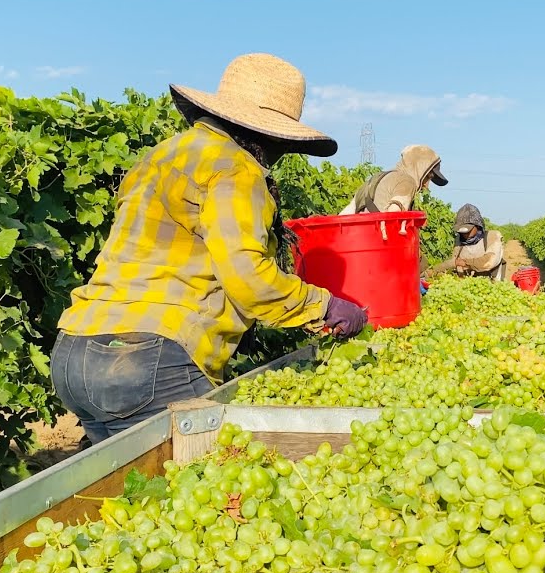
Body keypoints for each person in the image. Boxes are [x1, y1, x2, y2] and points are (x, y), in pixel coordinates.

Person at [52, 53, 368, 444]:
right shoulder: (235, 167)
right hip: (149, 358)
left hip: (75, 349)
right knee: (189, 488)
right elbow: (248, 277)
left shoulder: (161, 155)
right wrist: (324, 306)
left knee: (128, 493)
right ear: (264, 134)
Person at [339, 144, 448, 214]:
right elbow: (393, 217)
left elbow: (344, 216)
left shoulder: (374, 179)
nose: (427, 184)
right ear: (420, 169)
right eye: (429, 176)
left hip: (358, 242)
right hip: (381, 244)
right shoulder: (406, 182)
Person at [427, 203, 506, 281]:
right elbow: (455, 262)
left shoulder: (492, 236)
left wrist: (465, 263)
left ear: (477, 226)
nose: (465, 234)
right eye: (462, 232)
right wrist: (435, 270)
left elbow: (489, 262)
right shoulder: (459, 239)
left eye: (468, 231)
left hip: (491, 283)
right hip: (468, 284)